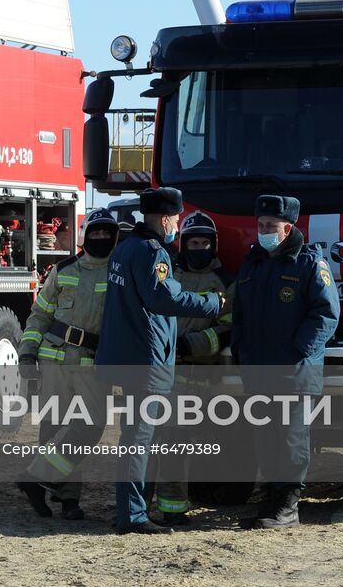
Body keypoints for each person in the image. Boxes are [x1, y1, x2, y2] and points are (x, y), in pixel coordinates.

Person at [97, 187, 222, 535]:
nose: (177, 225)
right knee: (138, 440)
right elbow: (164, 299)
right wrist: (212, 303)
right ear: (166, 218)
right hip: (147, 360)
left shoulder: (125, 248)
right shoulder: (154, 253)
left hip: (126, 357)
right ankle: (133, 516)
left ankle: (131, 509)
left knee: (134, 438)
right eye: (177, 219)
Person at [231, 194, 340, 529]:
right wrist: (240, 348)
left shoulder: (309, 264)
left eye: (270, 226)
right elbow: (240, 314)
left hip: (294, 371)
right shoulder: (253, 264)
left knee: (291, 438)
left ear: (288, 228)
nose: (262, 231)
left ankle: (288, 506)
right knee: (266, 438)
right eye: (260, 224)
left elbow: (327, 314)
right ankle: (271, 500)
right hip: (258, 370)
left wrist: (297, 349)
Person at [15, 209, 119, 521]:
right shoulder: (64, 270)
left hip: (91, 362)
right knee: (55, 429)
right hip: (53, 359)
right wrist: (27, 353)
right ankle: (66, 500)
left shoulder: (119, 272)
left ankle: (36, 479)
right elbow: (40, 316)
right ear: (85, 236)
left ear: (114, 237)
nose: (100, 239)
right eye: (95, 233)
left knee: (87, 427)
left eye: (106, 234)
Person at [148, 209, 232, 525]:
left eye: (204, 242)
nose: (199, 248)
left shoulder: (224, 282)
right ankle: (137, 507)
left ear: (213, 245)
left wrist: (190, 345)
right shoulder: (167, 271)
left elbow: (227, 328)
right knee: (147, 441)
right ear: (183, 244)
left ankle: (172, 510)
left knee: (175, 444)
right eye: (193, 242)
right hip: (158, 371)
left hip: (195, 375)